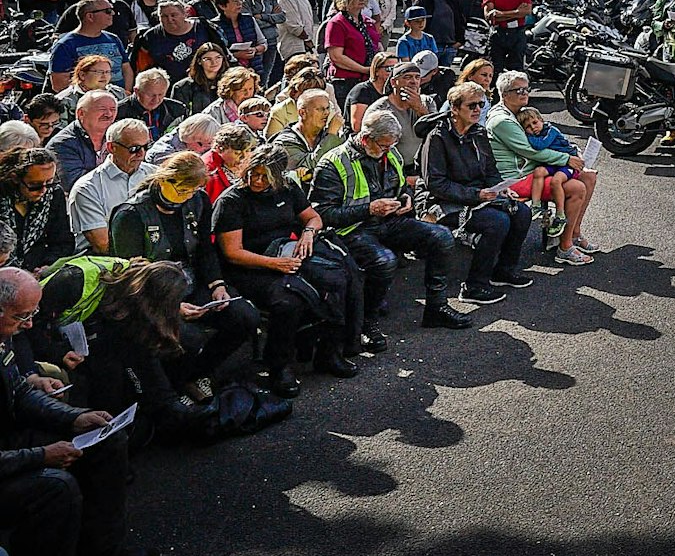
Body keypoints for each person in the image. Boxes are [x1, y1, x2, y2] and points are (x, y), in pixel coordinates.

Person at [0, 266, 156, 556]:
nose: (29, 325)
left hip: (9, 438)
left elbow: (20, 393)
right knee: (56, 488)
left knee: (106, 439)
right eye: (22, 317)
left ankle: (102, 550)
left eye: (33, 314)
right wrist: (41, 456)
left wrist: (74, 417)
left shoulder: (4, 337)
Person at [311, 110, 472, 344]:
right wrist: (368, 209)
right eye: (384, 146)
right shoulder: (333, 163)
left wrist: (406, 198)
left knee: (442, 237)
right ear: (365, 139)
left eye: (391, 146)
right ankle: (366, 322)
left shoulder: (390, 153)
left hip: (388, 220)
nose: (387, 151)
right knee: (384, 260)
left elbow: (403, 186)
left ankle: (436, 307)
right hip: (350, 230)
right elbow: (322, 214)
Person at [108, 152, 260, 400]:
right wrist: (172, 306)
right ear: (164, 179)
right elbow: (131, 275)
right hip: (152, 295)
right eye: (182, 190)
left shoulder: (198, 201)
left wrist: (217, 285)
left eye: (193, 190)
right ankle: (174, 387)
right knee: (188, 338)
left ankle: (196, 373)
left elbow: (204, 249)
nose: (187, 196)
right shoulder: (131, 214)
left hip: (192, 282)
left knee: (245, 317)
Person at [213, 143, 359, 395]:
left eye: (265, 177)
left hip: (286, 252)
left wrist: (308, 233)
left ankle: (329, 351)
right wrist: (274, 264)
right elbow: (232, 253)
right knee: (288, 302)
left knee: (336, 280)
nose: (257, 181)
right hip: (250, 265)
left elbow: (313, 217)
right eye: (253, 174)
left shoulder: (288, 189)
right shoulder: (232, 201)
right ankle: (279, 366)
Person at [31, 257, 208, 433]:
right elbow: (29, 322)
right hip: (47, 336)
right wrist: (58, 352)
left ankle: (170, 410)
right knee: (109, 376)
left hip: (91, 332)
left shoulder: (133, 288)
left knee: (170, 345)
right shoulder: (74, 280)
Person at [419, 83, 535, 305]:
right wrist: (476, 194)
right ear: (454, 108)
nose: (478, 110)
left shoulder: (478, 132)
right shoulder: (437, 137)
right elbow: (435, 184)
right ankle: (474, 286)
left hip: (478, 195)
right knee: (497, 221)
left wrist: (501, 187)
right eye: (471, 105)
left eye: (481, 104)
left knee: (521, 212)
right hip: (443, 202)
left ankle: (504, 271)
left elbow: (490, 170)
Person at [488, 72, 597, 266]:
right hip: (516, 178)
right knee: (577, 188)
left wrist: (572, 151)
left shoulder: (519, 113)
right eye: (518, 90)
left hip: (532, 170)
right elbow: (531, 151)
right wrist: (567, 158)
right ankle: (564, 248)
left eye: (526, 88)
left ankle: (574, 233)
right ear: (504, 95)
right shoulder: (502, 120)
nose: (524, 93)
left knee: (589, 177)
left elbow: (547, 138)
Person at [66, 119, 153, 254]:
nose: (142, 154)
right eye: (134, 149)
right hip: (103, 261)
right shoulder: (87, 188)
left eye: (146, 147)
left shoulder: (155, 175)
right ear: (111, 147)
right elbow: (103, 245)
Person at [48, 0, 132, 93]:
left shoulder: (113, 39)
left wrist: (126, 93)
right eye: (108, 11)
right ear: (90, 16)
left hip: (118, 98)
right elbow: (58, 84)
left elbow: (126, 68)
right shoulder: (65, 45)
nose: (113, 13)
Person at [2, 147, 69, 271]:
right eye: (34, 185)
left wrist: (47, 265)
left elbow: (62, 240)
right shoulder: (3, 198)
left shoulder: (53, 194)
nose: (43, 190)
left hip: (39, 269)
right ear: (15, 178)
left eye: (49, 182)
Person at [322, 0, 381, 106]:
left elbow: (377, 44)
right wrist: (364, 69)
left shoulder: (367, 21)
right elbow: (336, 57)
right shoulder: (336, 23)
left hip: (368, 78)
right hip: (345, 80)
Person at [271, 88, 344, 185]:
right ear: (302, 113)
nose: (326, 113)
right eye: (320, 109)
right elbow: (310, 167)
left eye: (327, 108)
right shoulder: (284, 142)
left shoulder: (333, 136)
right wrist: (331, 136)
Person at [481, 0, 532, 74]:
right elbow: (490, 17)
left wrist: (501, 14)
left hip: (517, 32)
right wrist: (516, 13)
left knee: (516, 70)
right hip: (499, 33)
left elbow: (526, 11)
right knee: (495, 69)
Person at [116, 69, 186, 141]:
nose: (156, 100)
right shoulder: (118, 112)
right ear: (137, 91)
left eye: (161, 94)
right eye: (151, 95)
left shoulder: (177, 110)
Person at [170, 41, 227, 112]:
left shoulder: (229, 83)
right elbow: (178, 114)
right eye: (208, 59)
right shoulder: (182, 87)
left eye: (218, 57)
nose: (214, 62)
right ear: (199, 61)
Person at [146, 113, 218, 165]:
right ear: (189, 137)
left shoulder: (193, 145)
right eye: (201, 144)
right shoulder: (165, 153)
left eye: (210, 144)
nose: (206, 149)